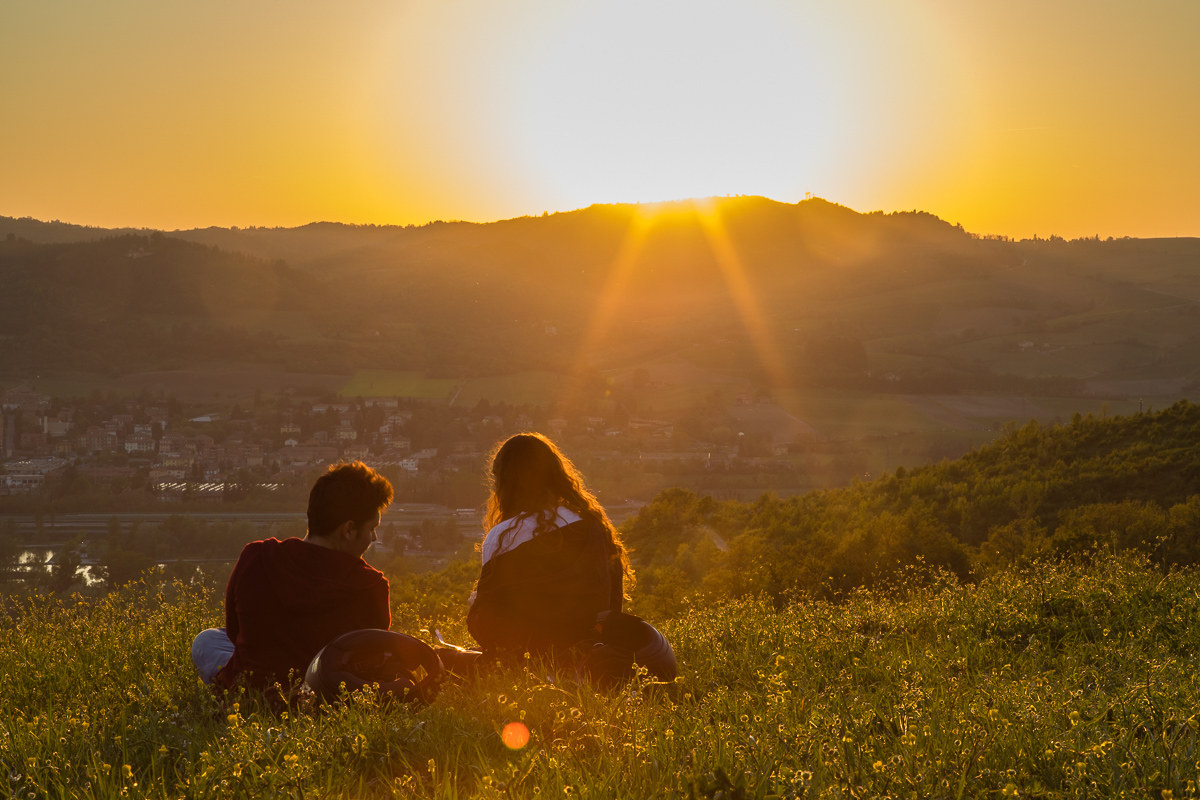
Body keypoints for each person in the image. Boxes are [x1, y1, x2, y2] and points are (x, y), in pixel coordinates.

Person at [190, 461, 394, 698]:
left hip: (248, 690)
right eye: (371, 529)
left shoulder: (257, 556)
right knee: (210, 639)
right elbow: (371, 662)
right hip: (320, 694)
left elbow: (235, 633)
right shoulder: (371, 586)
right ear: (348, 530)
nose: (374, 537)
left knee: (207, 641)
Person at [465, 432, 633, 664]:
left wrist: (476, 605)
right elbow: (613, 603)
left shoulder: (503, 537)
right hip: (592, 655)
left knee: (445, 659)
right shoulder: (593, 525)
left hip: (529, 661)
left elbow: (489, 626)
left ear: (504, 482)